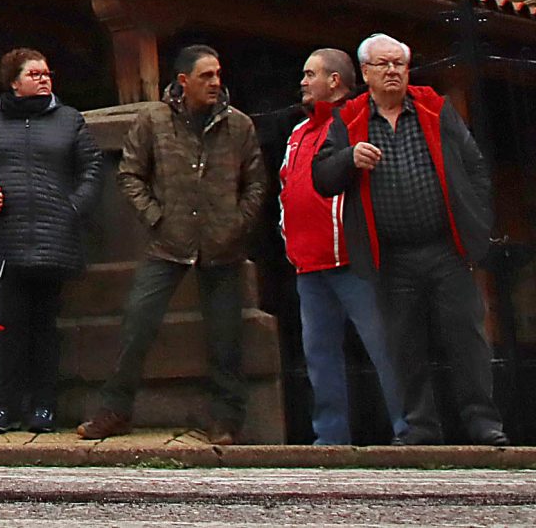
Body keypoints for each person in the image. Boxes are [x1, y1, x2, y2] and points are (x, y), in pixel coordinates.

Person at [312, 33, 507, 447]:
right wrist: (349, 159)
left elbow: (475, 167)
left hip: (445, 248)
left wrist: (477, 223)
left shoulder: (435, 108)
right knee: (405, 346)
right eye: (383, 64)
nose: (393, 71)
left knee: (466, 339)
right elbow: (322, 177)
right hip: (391, 255)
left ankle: (482, 424)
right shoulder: (348, 119)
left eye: (399, 64)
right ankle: (421, 426)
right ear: (364, 73)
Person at [81, 44, 265, 444]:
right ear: (184, 81)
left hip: (222, 244)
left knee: (225, 338)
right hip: (168, 241)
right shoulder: (154, 121)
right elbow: (129, 174)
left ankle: (226, 421)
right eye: (206, 76)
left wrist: (237, 223)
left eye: (218, 74)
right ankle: (115, 410)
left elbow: (255, 183)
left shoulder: (239, 125)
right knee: (137, 323)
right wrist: (155, 217)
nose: (215, 82)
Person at [0, 48, 101, 435]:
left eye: (46, 72)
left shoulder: (68, 119)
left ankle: (44, 407)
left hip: (55, 238)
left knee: (45, 330)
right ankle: (3, 406)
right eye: (34, 73)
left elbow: (91, 168)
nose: (43, 78)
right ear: (13, 82)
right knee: (6, 329)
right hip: (7, 240)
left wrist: (73, 206)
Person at [280, 47, 407, 445]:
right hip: (308, 264)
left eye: (309, 73)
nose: (302, 81)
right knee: (320, 360)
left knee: (384, 349)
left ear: (334, 81)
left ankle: (409, 428)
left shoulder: (357, 122)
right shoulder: (297, 134)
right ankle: (330, 439)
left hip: (354, 260)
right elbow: (287, 190)